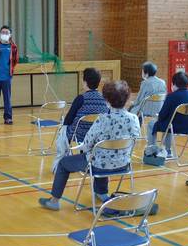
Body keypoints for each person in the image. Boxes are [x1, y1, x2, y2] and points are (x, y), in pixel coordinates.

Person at [38, 80, 140, 211]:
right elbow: (135, 141)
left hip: (99, 165)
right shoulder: (134, 119)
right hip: (123, 164)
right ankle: (101, 193)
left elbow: (86, 145)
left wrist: (78, 148)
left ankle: (54, 201)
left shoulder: (102, 119)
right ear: (126, 99)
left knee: (64, 163)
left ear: (107, 100)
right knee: (102, 155)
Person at [147, 71, 188, 156]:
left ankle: (151, 151)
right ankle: (167, 150)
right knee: (169, 122)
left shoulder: (171, 96)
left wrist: (158, 116)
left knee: (152, 124)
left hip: (175, 127)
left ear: (174, 84)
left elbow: (162, 115)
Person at [62, 68, 109, 143]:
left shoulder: (81, 98)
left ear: (85, 82)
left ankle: (64, 150)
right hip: (98, 136)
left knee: (63, 129)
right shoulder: (104, 100)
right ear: (98, 82)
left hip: (79, 136)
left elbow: (68, 120)